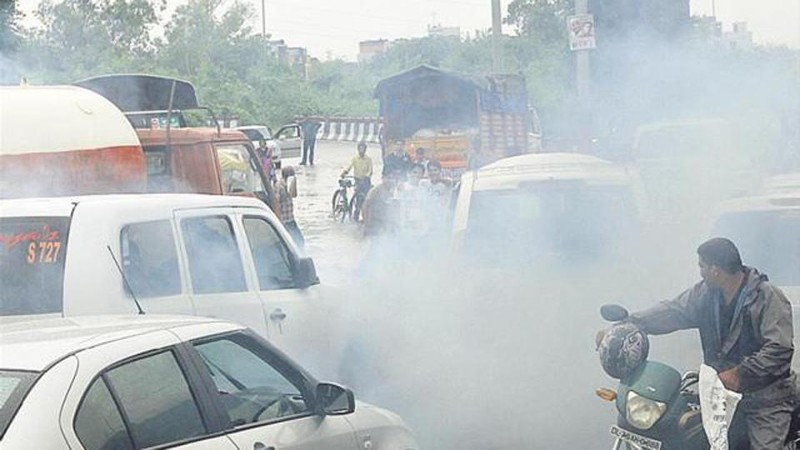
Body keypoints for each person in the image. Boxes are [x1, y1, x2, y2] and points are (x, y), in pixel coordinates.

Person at [605, 238, 795, 450]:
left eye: (702, 266)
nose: (700, 272)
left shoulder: (768, 297)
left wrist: (739, 374)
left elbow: (779, 350)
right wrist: (629, 324)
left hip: (766, 399)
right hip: (718, 394)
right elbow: (673, 311)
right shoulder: (705, 294)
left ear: (715, 269)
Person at [341, 142, 373, 221]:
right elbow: (350, 166)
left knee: (366, 198)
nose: (361, 151)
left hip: (366, 180)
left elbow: (370, 170)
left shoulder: (369, 159)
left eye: (363, 149)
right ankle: (356, 214)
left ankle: (366, 215)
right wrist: (345, 172)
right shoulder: (355, 158)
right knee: (358, 197)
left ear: (365, 150)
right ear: (358, 149)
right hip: (357, 179)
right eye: (360, 149)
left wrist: (367, 176)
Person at [275, 166, 304, 247]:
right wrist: (279, 219)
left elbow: (294, 195)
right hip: (284, 219)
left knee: (300, 241)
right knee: (289, 242)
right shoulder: (279, 186)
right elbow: (276, 202)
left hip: (290, 218)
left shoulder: (289, 185)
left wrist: (293, 185)